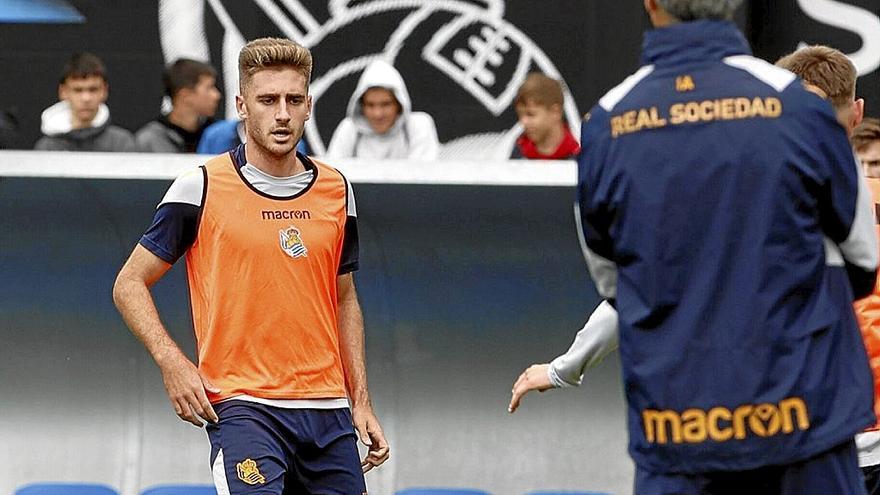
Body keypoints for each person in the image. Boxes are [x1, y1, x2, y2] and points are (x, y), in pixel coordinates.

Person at [511, 2, 878, 493]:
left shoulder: (606, 123)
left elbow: (620, 287)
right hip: (805, 430)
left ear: (651, 5)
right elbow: (861, 264)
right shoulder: (803, 108)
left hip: (680, 432)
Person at [113, 37, 388, 494]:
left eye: (293, 100)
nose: (281, 113)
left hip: (328, 410)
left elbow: (344, 298)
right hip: (243, 408)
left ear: (308, 106)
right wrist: (172, 362)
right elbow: (129, 283)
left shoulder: (337, 189)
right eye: (267, 100)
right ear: (242, 105)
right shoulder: (200, 186)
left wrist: (361, 400)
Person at [326, 59, 439, 160]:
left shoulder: (419, 125)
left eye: (385, 104)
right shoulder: (349, 129)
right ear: (361, 106)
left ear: (399, 104)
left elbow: (421, 178)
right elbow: (333, 177)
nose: (378, 114)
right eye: (370, 105)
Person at [34, 52, 135, 152]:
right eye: (77, 90)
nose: (86, 98)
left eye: (93, 89)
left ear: (104, 91)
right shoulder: (47, 147)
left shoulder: (121, 143)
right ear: (63, 92)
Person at [135, 58, 221, 153]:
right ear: (185, 95)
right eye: (209, 88)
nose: (216, 95)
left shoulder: (221, 135)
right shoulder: (149, 140)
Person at [510, 72, 580, 160]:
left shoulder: (579, 156)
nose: (524, 122)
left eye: (531, 114)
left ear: (556, 112)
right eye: (520, 115)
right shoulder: (519, 154)